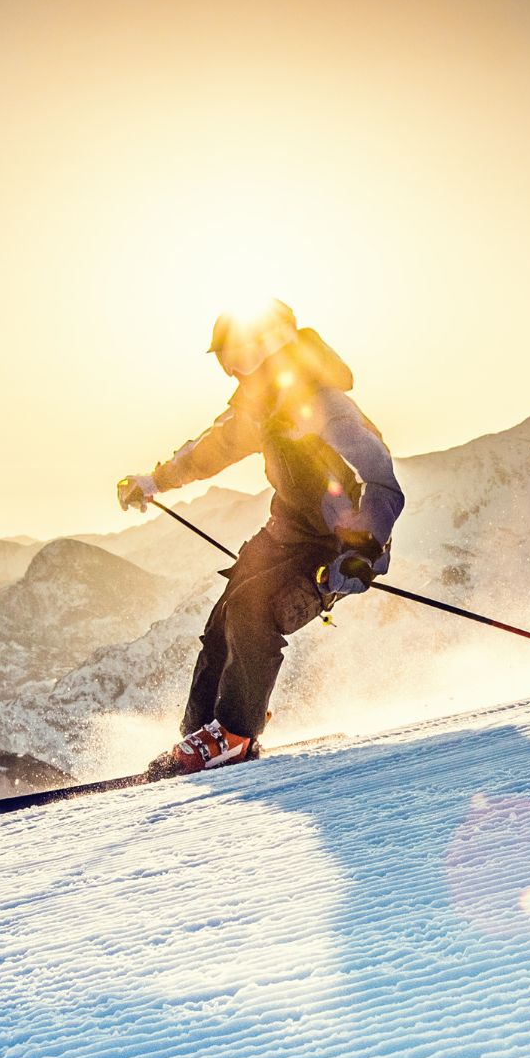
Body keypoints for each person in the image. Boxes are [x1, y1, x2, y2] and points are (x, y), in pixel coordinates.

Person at [118, 299, 404, 776]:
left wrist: (364, 549)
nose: (233, 373)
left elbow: (375, 474)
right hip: (285, 533)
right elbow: (208, 451)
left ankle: (234, 734)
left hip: (337, 547)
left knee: (256, 608)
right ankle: (202, 734)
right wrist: (154, 482)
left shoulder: (324, 405)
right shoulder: (260, 410)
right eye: (226, 364)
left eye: (238, 359)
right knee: (223, 619)